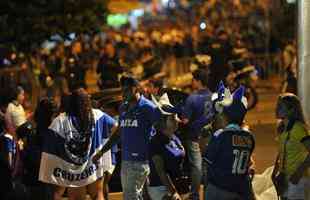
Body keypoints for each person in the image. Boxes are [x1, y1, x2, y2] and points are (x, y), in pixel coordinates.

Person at [39, 88, 117, 200]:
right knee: (97, 195)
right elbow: (117, 129)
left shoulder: (60, 120)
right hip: (94, 164)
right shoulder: (98, 115)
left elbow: (50, 145)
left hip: (72, 170)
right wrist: (105, 147)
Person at [93, 75, 161, 200]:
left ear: (135, 89)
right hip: (126, 161)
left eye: (126, 90)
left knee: (131, 197)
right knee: (140, 196)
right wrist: (102, 151)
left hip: (141, 161)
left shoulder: (148, 107)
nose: (123, 94)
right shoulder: (123, 108)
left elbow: (161, 130)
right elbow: (119, 133)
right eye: (122, 90)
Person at [204, 82, 255, 200]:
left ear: (225, 117)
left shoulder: (220, 136)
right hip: (238, 189)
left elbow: (207, 160)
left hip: (219, 189)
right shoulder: (249, 137)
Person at [181, 69, 214, 200]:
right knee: (206, 165)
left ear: (198, 81)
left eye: (193, 79)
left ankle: (194, 195)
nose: (192, 82)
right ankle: (207, 193)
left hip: (194, 137)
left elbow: (185, 120)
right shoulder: (213, 96)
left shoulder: (192, 98)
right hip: (209, 137)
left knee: (196, 167)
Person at [148, 93, 186, 200]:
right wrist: (173, 192)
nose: (178, 120)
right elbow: (161, 172)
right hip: (161, 189)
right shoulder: (155, 142)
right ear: (162, 122)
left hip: (176, 187)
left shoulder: (174, 137)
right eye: (173, 118)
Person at [272, 93, 310, 200]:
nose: (276, 109)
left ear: (291, 110)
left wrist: (299, 173)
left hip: (298, 180)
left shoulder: (298, 129)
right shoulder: (283, 127)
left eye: (280, 107)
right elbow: (281, 152)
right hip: (285, 178)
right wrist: (275, 172)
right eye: (277, 106)